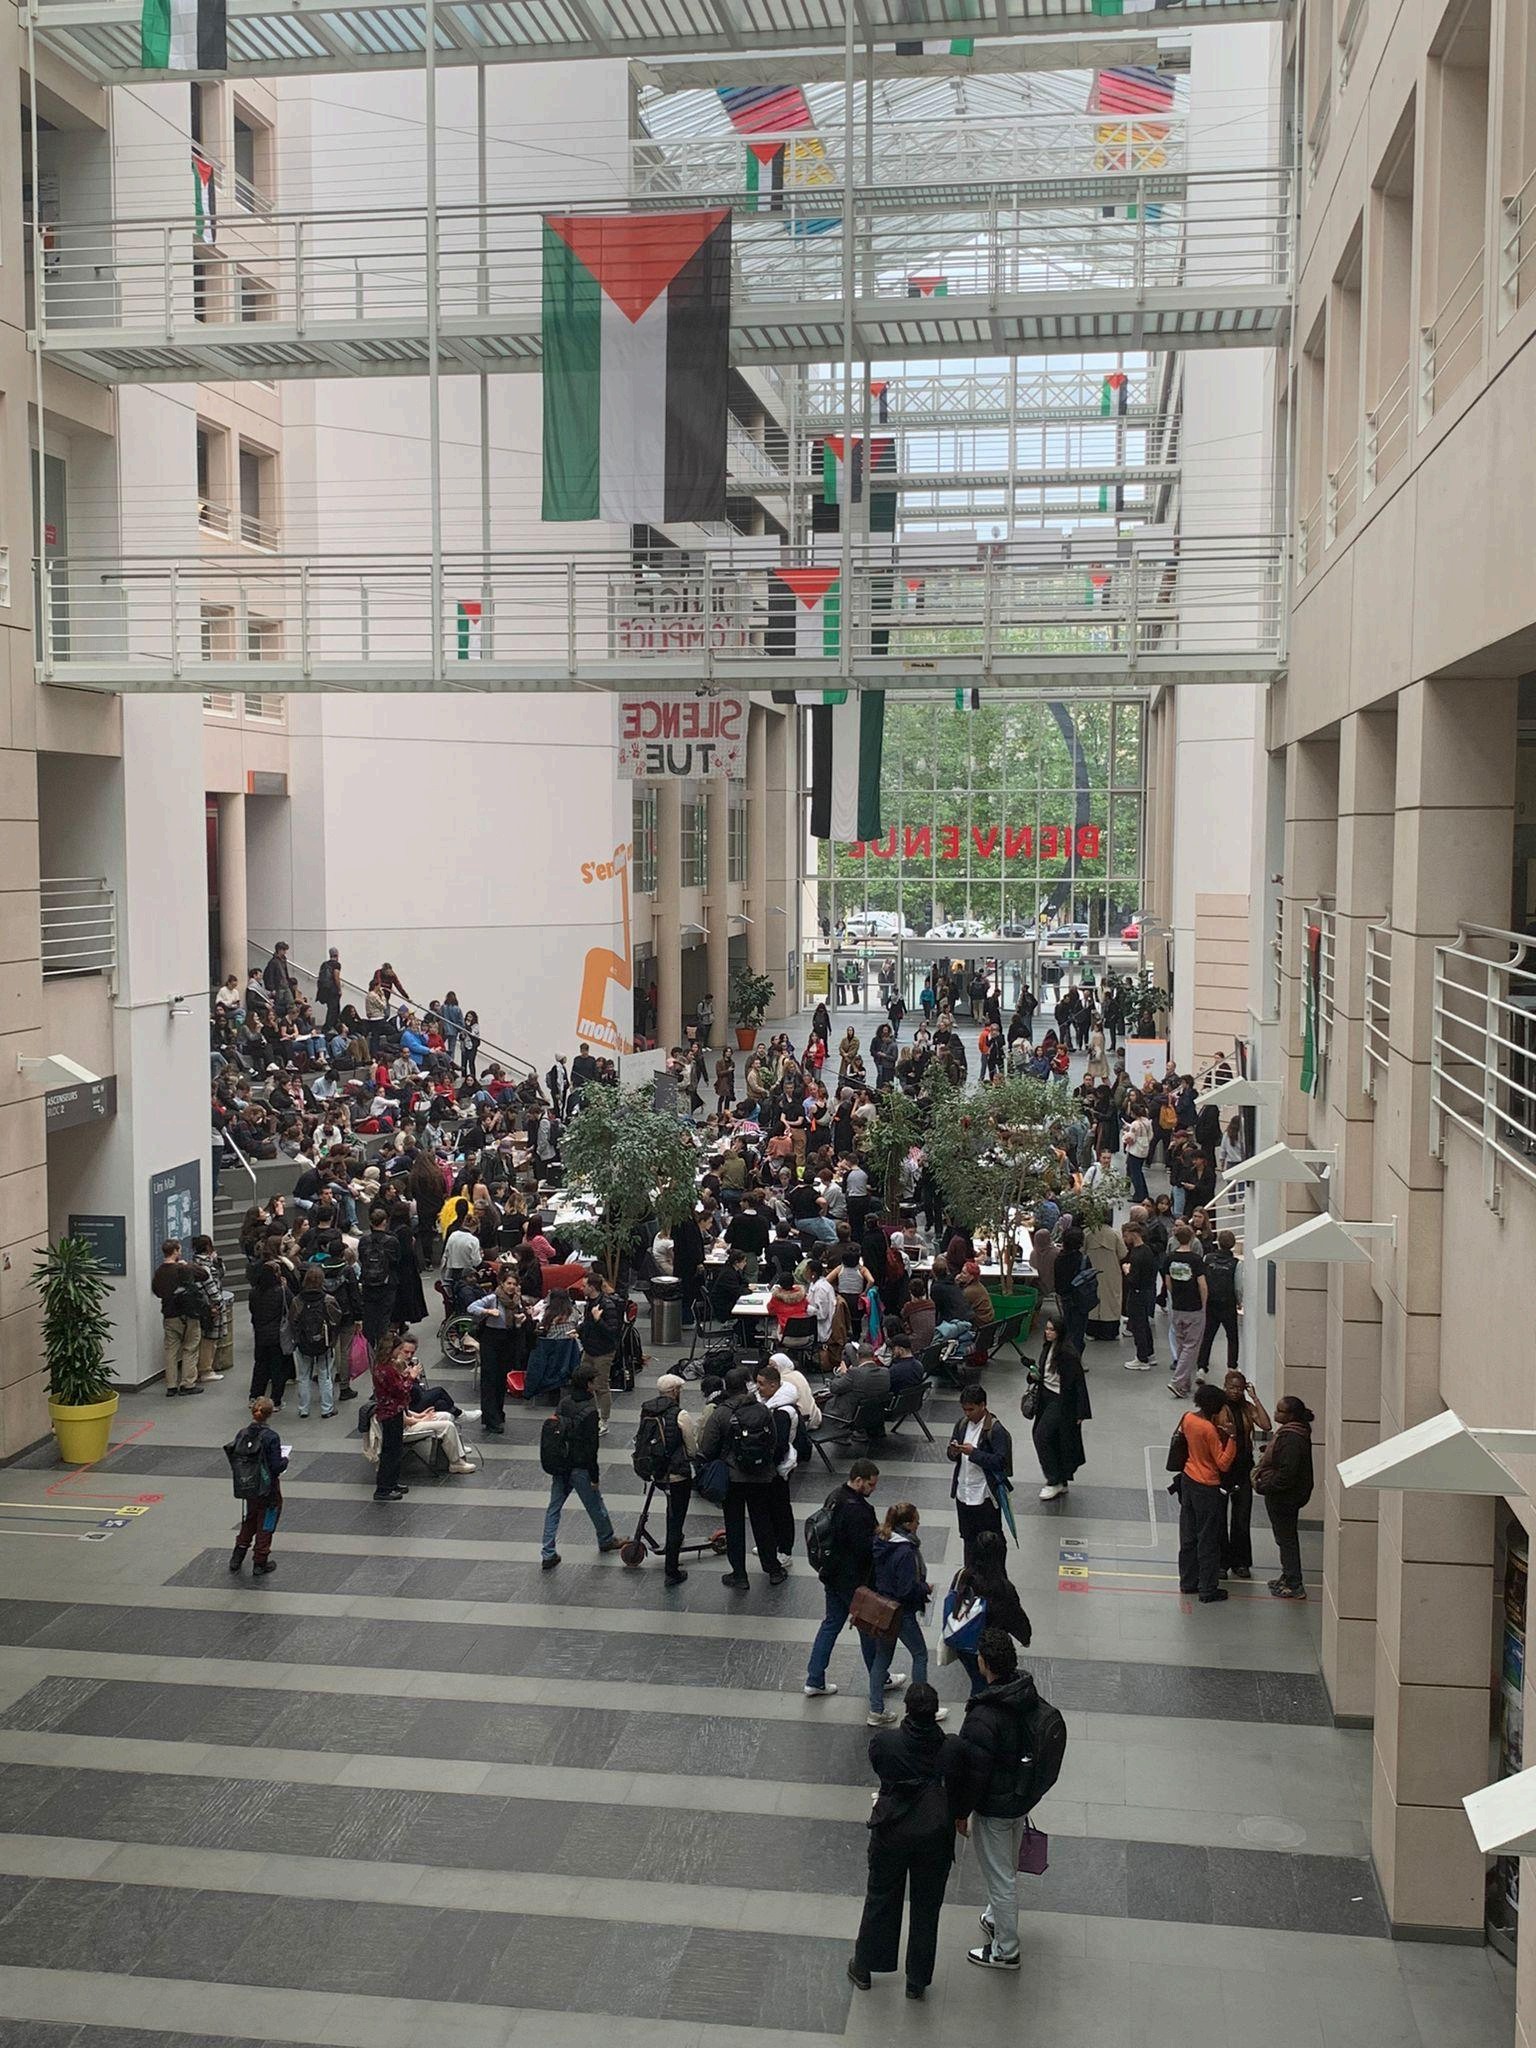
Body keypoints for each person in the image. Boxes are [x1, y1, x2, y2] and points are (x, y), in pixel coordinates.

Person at [847, 1680, 958, 2002]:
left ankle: (866, 1966)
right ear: (934, 1712)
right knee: (927, 1908)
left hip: (891, 1831)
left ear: (907, 1710)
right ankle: (917, 1980)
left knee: (881, 1897)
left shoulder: (886, 1743)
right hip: (934, 1836)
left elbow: (880, 1767)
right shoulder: (949, 1747)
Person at [951, 1627, 1042, 1971]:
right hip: (1019, 1795)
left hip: (995, 1805)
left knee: (1000, 1875)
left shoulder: (983, 1716)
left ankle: (1006, 1949)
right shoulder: (1025, 1692)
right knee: (1007, 1866)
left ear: (984, 1663)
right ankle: (994, 1916)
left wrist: (960, 1812)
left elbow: (973, 1773)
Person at [696, 1364, 786, 1590]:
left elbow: (707, 1448)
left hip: (732, 1478)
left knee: (734, 1525)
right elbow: (773, 1441)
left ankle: (739, 1575)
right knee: (762, 1521)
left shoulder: (721, 1413)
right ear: (747, 1385)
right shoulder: (762, 1410)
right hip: (760, 1476)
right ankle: (773, 1569)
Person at [804, 1457, 882, 1699]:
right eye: (870, 1485)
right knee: (868, 1629)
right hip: (854, 1580)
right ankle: (880, 1677)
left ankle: (814, 1679)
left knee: (831, 1625)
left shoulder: (835, 1497)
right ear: (858, 1481)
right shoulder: (858, 1510)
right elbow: (865, 1548)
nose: (872, 1489)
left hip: (832, 1574)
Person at [866, 1502, 945, 1729]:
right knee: (920, 1655)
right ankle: (923, 1708)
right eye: (917, 1521)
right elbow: (906, 1589)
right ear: (908, 1524)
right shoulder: (905, 1551)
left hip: (883, 1609)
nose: (919, 1525)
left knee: (881, 1658)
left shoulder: (882, 1541)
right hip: (901, 1613)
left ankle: (876, 1709)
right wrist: (924, 1589)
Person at [540, 1363, 623, 1569]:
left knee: (554, 1508)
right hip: (580, 1468)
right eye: (594, 1381)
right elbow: (591, 1448)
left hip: (561, 1465)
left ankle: (548, 1552)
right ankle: (606, 1539)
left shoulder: (565, 1402)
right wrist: (594, 1477)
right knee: (595, 1505)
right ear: (588, 1385)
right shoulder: (589, 1411)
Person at [945, 1528, 1032, 1695]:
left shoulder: (963, 1575)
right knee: (986, 1686)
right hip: (988, 1646)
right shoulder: (1002, 1587)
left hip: (964, 1640)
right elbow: (1014, 1615)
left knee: (977, 1681)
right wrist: (1025, 1637)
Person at [1176, 1381, 1238, 1602]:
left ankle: (1188, 1582)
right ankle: (1208, 1588)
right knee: (1208, 1539)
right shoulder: (1209, 1429)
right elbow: (1222, 1463)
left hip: (1188, 1479)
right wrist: (1232, 1438)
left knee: (1189, 1535)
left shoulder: (1188, 1418)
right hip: (1207, 1486)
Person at [1254, 1394, 1315, 1599]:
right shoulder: (1293, 1432)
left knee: (1286, 1539)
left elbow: (1287, 1473)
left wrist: (1264, 1486)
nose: (1275, 1413)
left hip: (1285, 1496)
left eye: (1280, 1411)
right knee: (1285, 1538)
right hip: (1288, 1494)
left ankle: (1294, 1583)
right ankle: (1287, 1575)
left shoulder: (1292, 1438)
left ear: (1291, 1415)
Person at [639, 1373, 696, 1586]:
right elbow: (691, 1446)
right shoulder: (680, 1415)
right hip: (677, 1474)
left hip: (657, 1471)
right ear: (674, 1392)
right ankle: (671, 1570)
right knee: (676, 1518)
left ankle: (674, 1542)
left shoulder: (647, 1409)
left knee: (671, 1512)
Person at [1027, 1314, 1092, 1502]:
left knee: (1042, 1435)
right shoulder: (1048, 1348)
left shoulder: (1067, 1355)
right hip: (1046, 1397)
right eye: (1046, 1329)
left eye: (1051, 1329)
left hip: (1060, 1401)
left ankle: (1054, 1479)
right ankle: (1059, 1479)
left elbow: (1079, 1383)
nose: (1047, 1332)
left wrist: (1080, 1412)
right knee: (1053, 1438)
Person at [947, 1383, 1011, 1559]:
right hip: (963, 1492)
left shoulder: (995, 1430)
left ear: (983, 1405)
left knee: (992, 1539)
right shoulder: (961, 1425)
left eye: (971, 1409)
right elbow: (952, 1453)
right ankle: (970, 1574)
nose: (967, 1414)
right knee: (968, 1538)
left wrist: (974, 1453)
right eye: (965, 1410)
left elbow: (1000, 1461)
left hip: (985, 1495)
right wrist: (953, 1452)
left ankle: (995, 1575)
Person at [227, 1395, 288, 1576]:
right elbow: (276, 1467)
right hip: (267, 1487)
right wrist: (285, 1460)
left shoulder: (242, 1433)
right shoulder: (271, 1437)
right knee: (267, 1521)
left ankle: (237, 1556)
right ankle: (260, 1561)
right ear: (270, 1414)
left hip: (248, 1484)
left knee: (250, 1518)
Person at [1219, 1368, 1271, 1581]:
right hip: (1222, 1467)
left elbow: (1266, 1425)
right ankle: (1221, 1562)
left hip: (1242, 1467)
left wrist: (1255, 1397)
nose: (1235, 1392)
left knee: (1242, 1516)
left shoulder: (1247, 1408)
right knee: (1219, 1516)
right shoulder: (1218, 1409)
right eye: (1232, 1388)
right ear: (1225, 1387)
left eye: (1239, 1388)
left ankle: (1241, 1561)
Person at [466, 1272, 527, 1437]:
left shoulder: (516, 1301)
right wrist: (487, 1311)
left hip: (507, 1340)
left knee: (501, 1379)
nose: (511, 1287)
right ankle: (490, 1418)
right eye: (509, 1283)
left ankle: (498, 1413)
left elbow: (518, 1320)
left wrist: (520, 1321)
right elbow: (471, 1308)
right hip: (491, 1340)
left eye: (514, 1284)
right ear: (502, 1284)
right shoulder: (493, 1298)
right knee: (489, 1379)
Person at [151, 1238, 206, 1397]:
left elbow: (157, 1291)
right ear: (175, 1251)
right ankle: (188, 1383)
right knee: (190, 1347)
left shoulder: (160, 1271)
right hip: (188, 1314)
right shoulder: (183, 1268)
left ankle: (171, 1385)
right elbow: (203, 1275)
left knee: (171, 1350)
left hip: (169, 1314)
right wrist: (187, 1265)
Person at [1162, 1222, 1208, 1399]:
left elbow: (1168, 1283)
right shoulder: (1196, 1260)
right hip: (1194, 1307)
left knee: (1181, 1343)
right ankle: (1178, 1380)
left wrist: (1176, 1295)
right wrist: (1203, 1304)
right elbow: (1202, 1284)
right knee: (1192, 1345)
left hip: (1178, 1306)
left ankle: (1185, 1383)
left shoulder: (1169, 1259)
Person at [289, 1266, 341, 1420]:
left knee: (304, 1376)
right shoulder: (328, 1300)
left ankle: (304, 1408)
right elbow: (336, 1320)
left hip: (303, 1344)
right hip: (323, 1344)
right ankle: (327, 1408)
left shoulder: (297, 1301)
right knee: (324, 1375)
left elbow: (292, 1321)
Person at [370, 1332, 414, 1503]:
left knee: (395, 1449)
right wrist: (411, 1377)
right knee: (391, 1451)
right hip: (391, 1412)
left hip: (388, 1411)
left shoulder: (381, 1367)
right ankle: (384, 1488)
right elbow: (400, 1390)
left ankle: (392, 1483)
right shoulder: (387, 1370)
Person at [1196, 1229, 1242, 1376]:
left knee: (1208, 1336)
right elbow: (1238, 1285)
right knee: (1232, 1336)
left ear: (1219, 1242)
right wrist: (1239, 1302)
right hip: (1228, 1303)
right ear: (1233, 1245)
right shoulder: (1236, 1263)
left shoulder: (1207, 1258)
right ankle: (1231, 1367)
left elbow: (1202, 1280)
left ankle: (1201, 1368)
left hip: (1210, 1302)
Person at [1120, 1221, 1158, 1370]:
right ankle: (1149, 1354)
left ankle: (1142, 1358)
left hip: (1137, 1293)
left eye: (1126, 1236)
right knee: (1144, 1324)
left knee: (1138, 1326)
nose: (1124, 1239)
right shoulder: (1147, 1250)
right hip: (1146, 1292)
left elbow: (1133, 1280)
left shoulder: (1137, 1254)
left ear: (1133, 1234)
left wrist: (1126, 1270)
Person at [316, 947, 344, 1033]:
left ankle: (334, 1026)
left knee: (332, 1008)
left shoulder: (325, 964)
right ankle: (327, 1028)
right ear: (337, 955)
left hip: (325, 990)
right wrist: (339, 989)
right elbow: (336, 976)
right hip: (333, 990)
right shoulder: (336, 964)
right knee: (333, 1009)